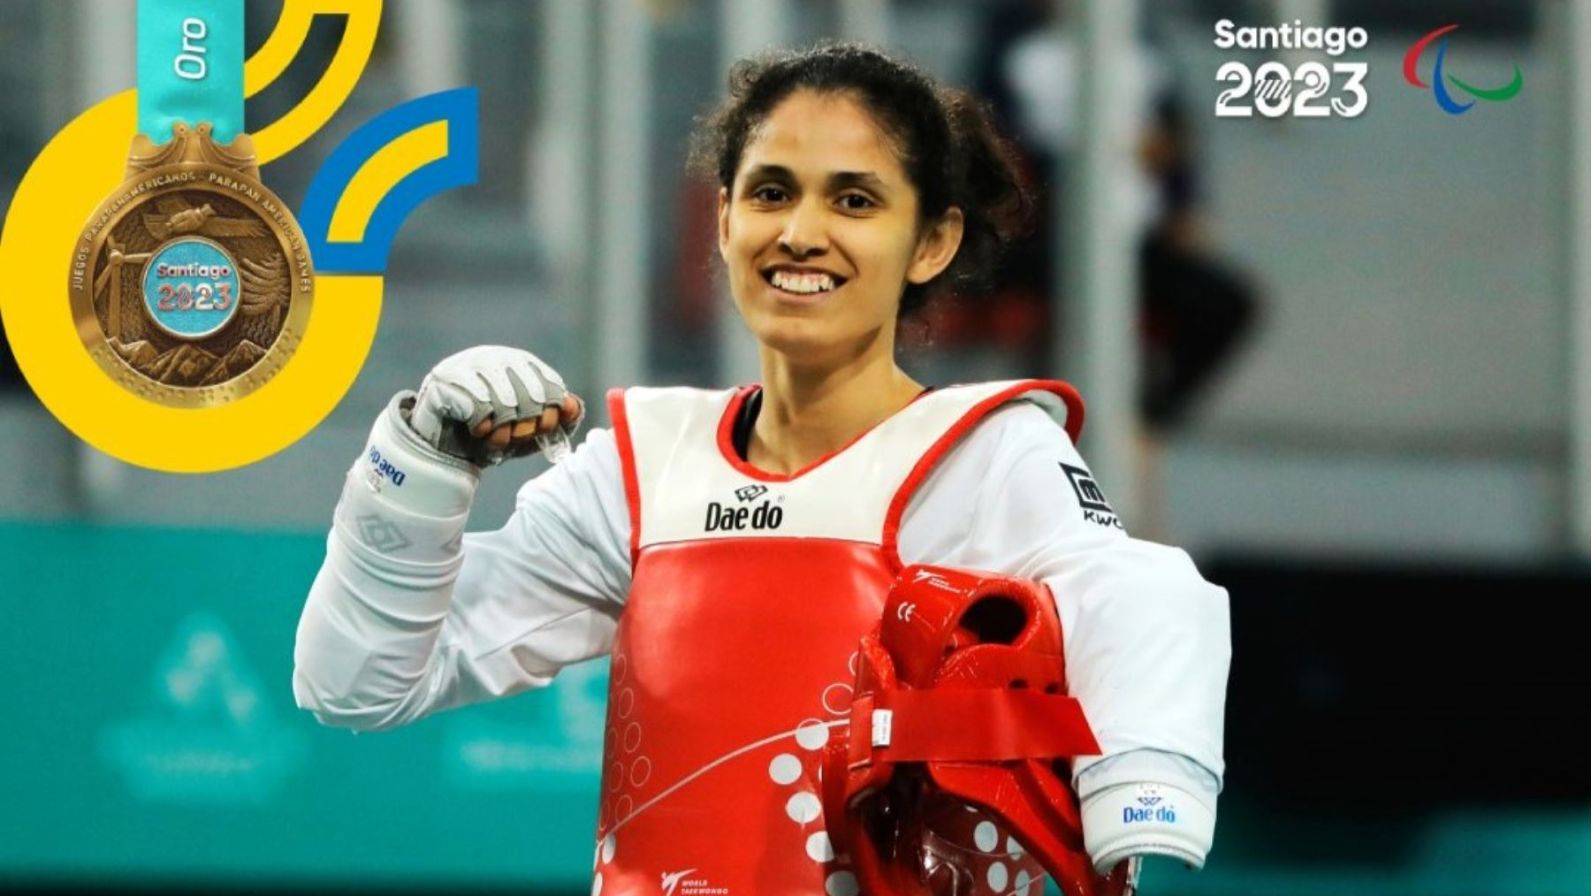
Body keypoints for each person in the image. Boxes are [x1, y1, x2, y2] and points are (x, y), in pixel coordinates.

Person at [293, 43, 1229, 895]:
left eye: (854, 201)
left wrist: (1149, 791)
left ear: (932, 242)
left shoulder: (985, 453)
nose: (801, 232)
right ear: (724, 217)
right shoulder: (641, 465)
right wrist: (420, 466)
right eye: (772, 192)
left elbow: (1136, 595)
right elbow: (355, 682)